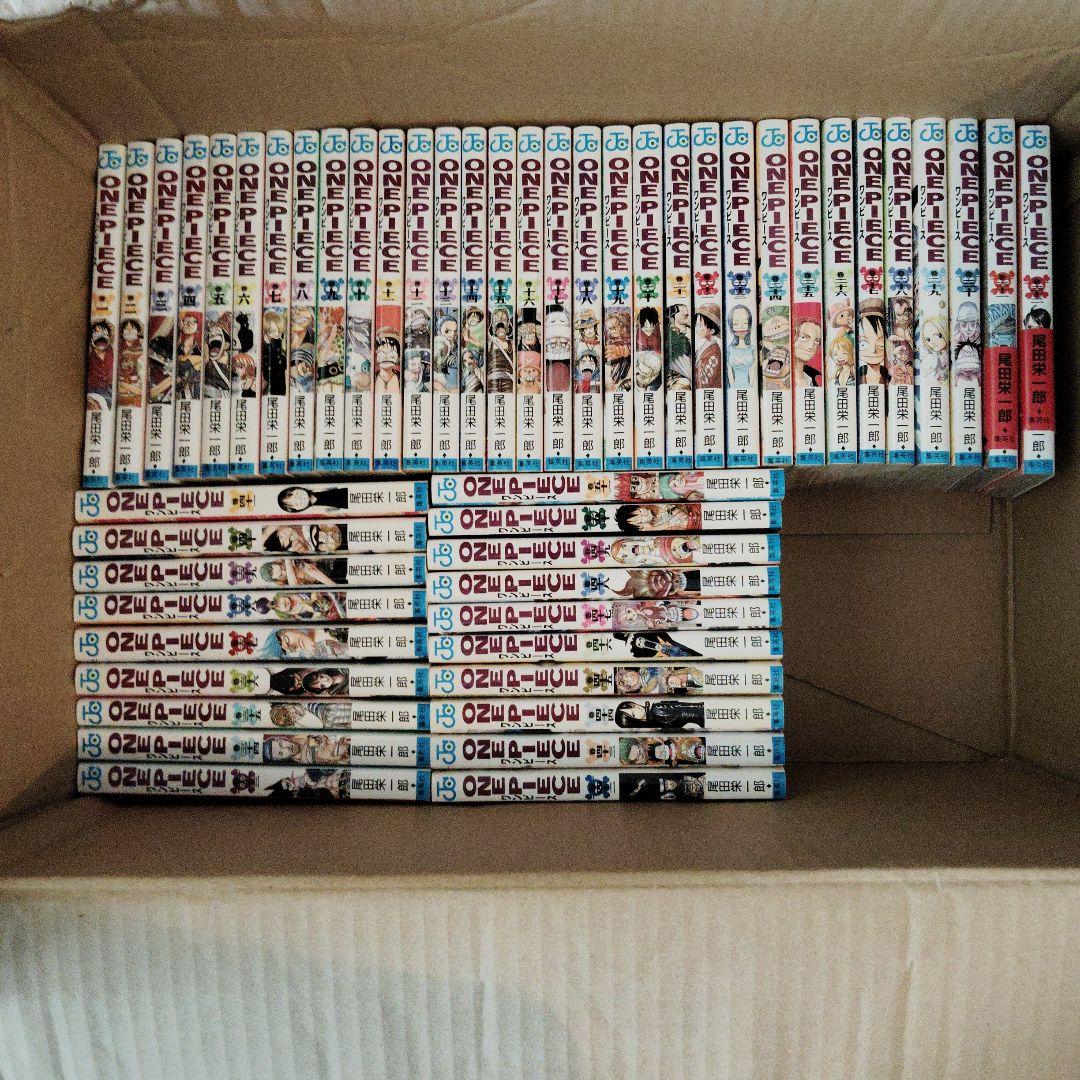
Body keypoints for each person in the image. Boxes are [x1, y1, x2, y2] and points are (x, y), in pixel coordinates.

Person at [276, 486, 349, 512]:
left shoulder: (319, 486)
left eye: (296, 495)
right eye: (296, 504)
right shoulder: (321, 512)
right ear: (297, 510)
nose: (300, 499)